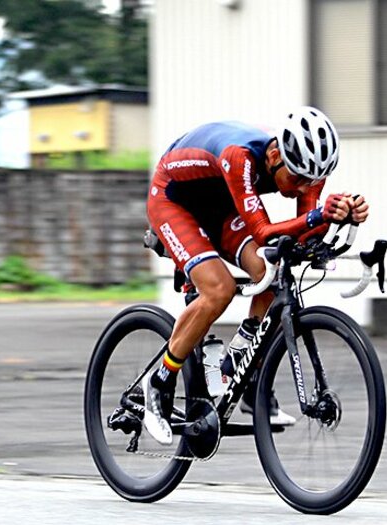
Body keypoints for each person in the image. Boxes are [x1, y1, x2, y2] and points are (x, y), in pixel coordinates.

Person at [143, 106, 369, 445]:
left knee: (273, 268)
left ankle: (247, 376)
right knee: (218, 289)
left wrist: (341, 215)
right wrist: (319, 216)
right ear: (276, 155)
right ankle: (158, 383)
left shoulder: (305, 169)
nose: (301, 189)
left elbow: (301, 235)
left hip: (220, 204)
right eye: (295, 179)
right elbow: (263, 232)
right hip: (174, 200)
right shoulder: (241, 158)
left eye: (311, 183)